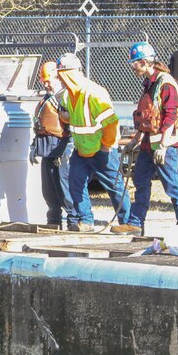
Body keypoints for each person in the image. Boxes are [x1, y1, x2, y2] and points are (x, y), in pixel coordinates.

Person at [111, 42, 178, 235]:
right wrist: (135, 139)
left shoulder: (166, 83)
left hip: (165, 145)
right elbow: (146, 115)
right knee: (140, 181)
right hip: (148, 143)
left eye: (134, 63)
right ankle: (135, 224)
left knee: (172, 184)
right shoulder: (149, 83)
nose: (132, 67)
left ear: (144, 62)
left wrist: (163, 145)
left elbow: (170, 115)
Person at [54, 52, 132, 232]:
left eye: (62, 75)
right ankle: (86, 220)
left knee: (114, 186)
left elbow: (111, 122)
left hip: (101, 150)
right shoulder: (68, 95)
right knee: (76, 182)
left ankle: (128, 222)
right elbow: (78, 117)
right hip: (82, 149)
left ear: (71, 73)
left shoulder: (94, 92)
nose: (60, 80)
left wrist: (106, 146)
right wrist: (66, 117)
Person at [32, 61, 76, 230]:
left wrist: (67, 149)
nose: (46, 84)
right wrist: (33, 147)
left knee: (64, 186)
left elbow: (71, 122)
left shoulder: (63, 97)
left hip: (61, 145)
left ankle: (73, 221)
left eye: (49, 80)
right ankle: (53, 221)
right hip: (46, 147)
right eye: (44, 81)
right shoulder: (47, 98)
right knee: (49, 190)